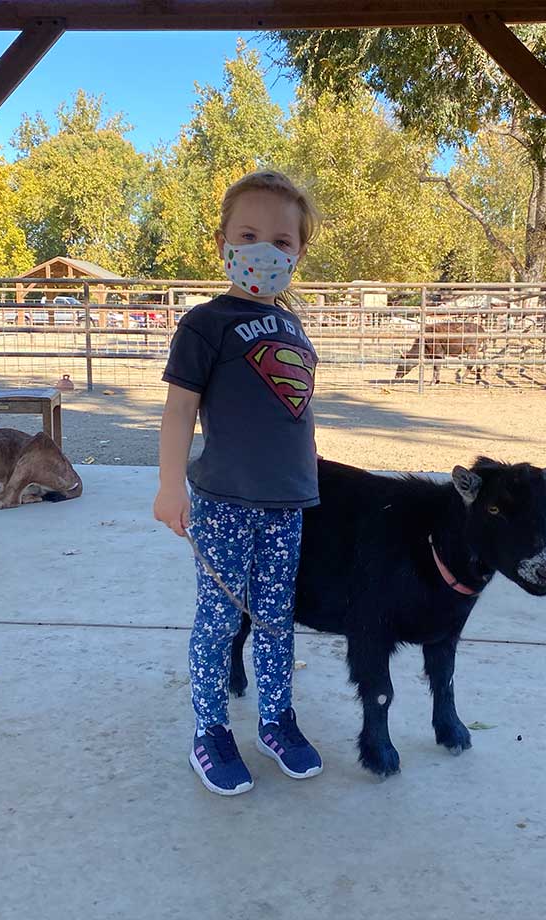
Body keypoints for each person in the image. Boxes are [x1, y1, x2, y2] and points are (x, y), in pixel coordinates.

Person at [154, 170, 324, 796]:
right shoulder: (206, 324)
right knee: (220, 619)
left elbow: (295, 411)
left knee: (277, 619)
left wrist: (310, 477)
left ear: (299, 253)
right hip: (224, 502)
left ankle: (276, 719)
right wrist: (171, 486)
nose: (266, 251)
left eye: (282, 241)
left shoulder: (294, 327)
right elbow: (178, 410)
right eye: (248, 234)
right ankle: (210, 731)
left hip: (287, 505)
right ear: (222, 241)